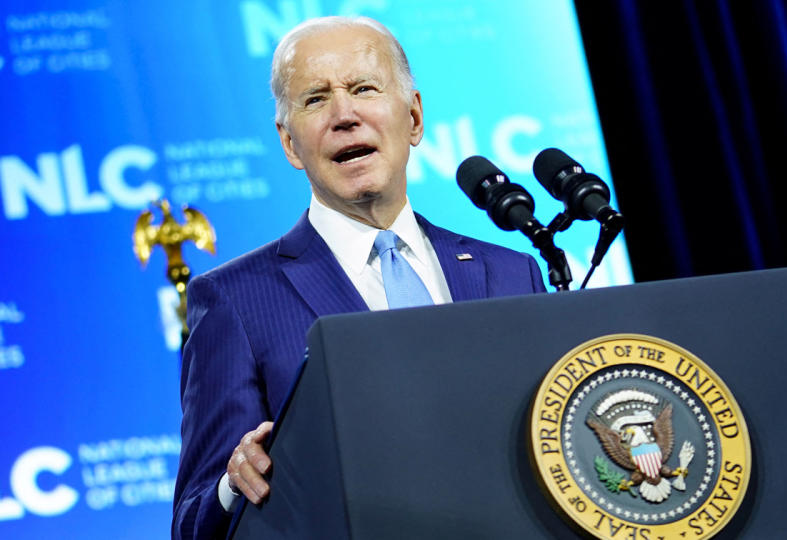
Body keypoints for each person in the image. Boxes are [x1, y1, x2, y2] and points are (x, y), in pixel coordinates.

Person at [172, 16, 546, 539]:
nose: (344, 115)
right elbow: (191, 524)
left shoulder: (511, 273)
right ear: (288, 142)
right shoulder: (234, 300)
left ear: (413, 116)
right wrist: (232, 485)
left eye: (364, 88)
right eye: (315, 99)